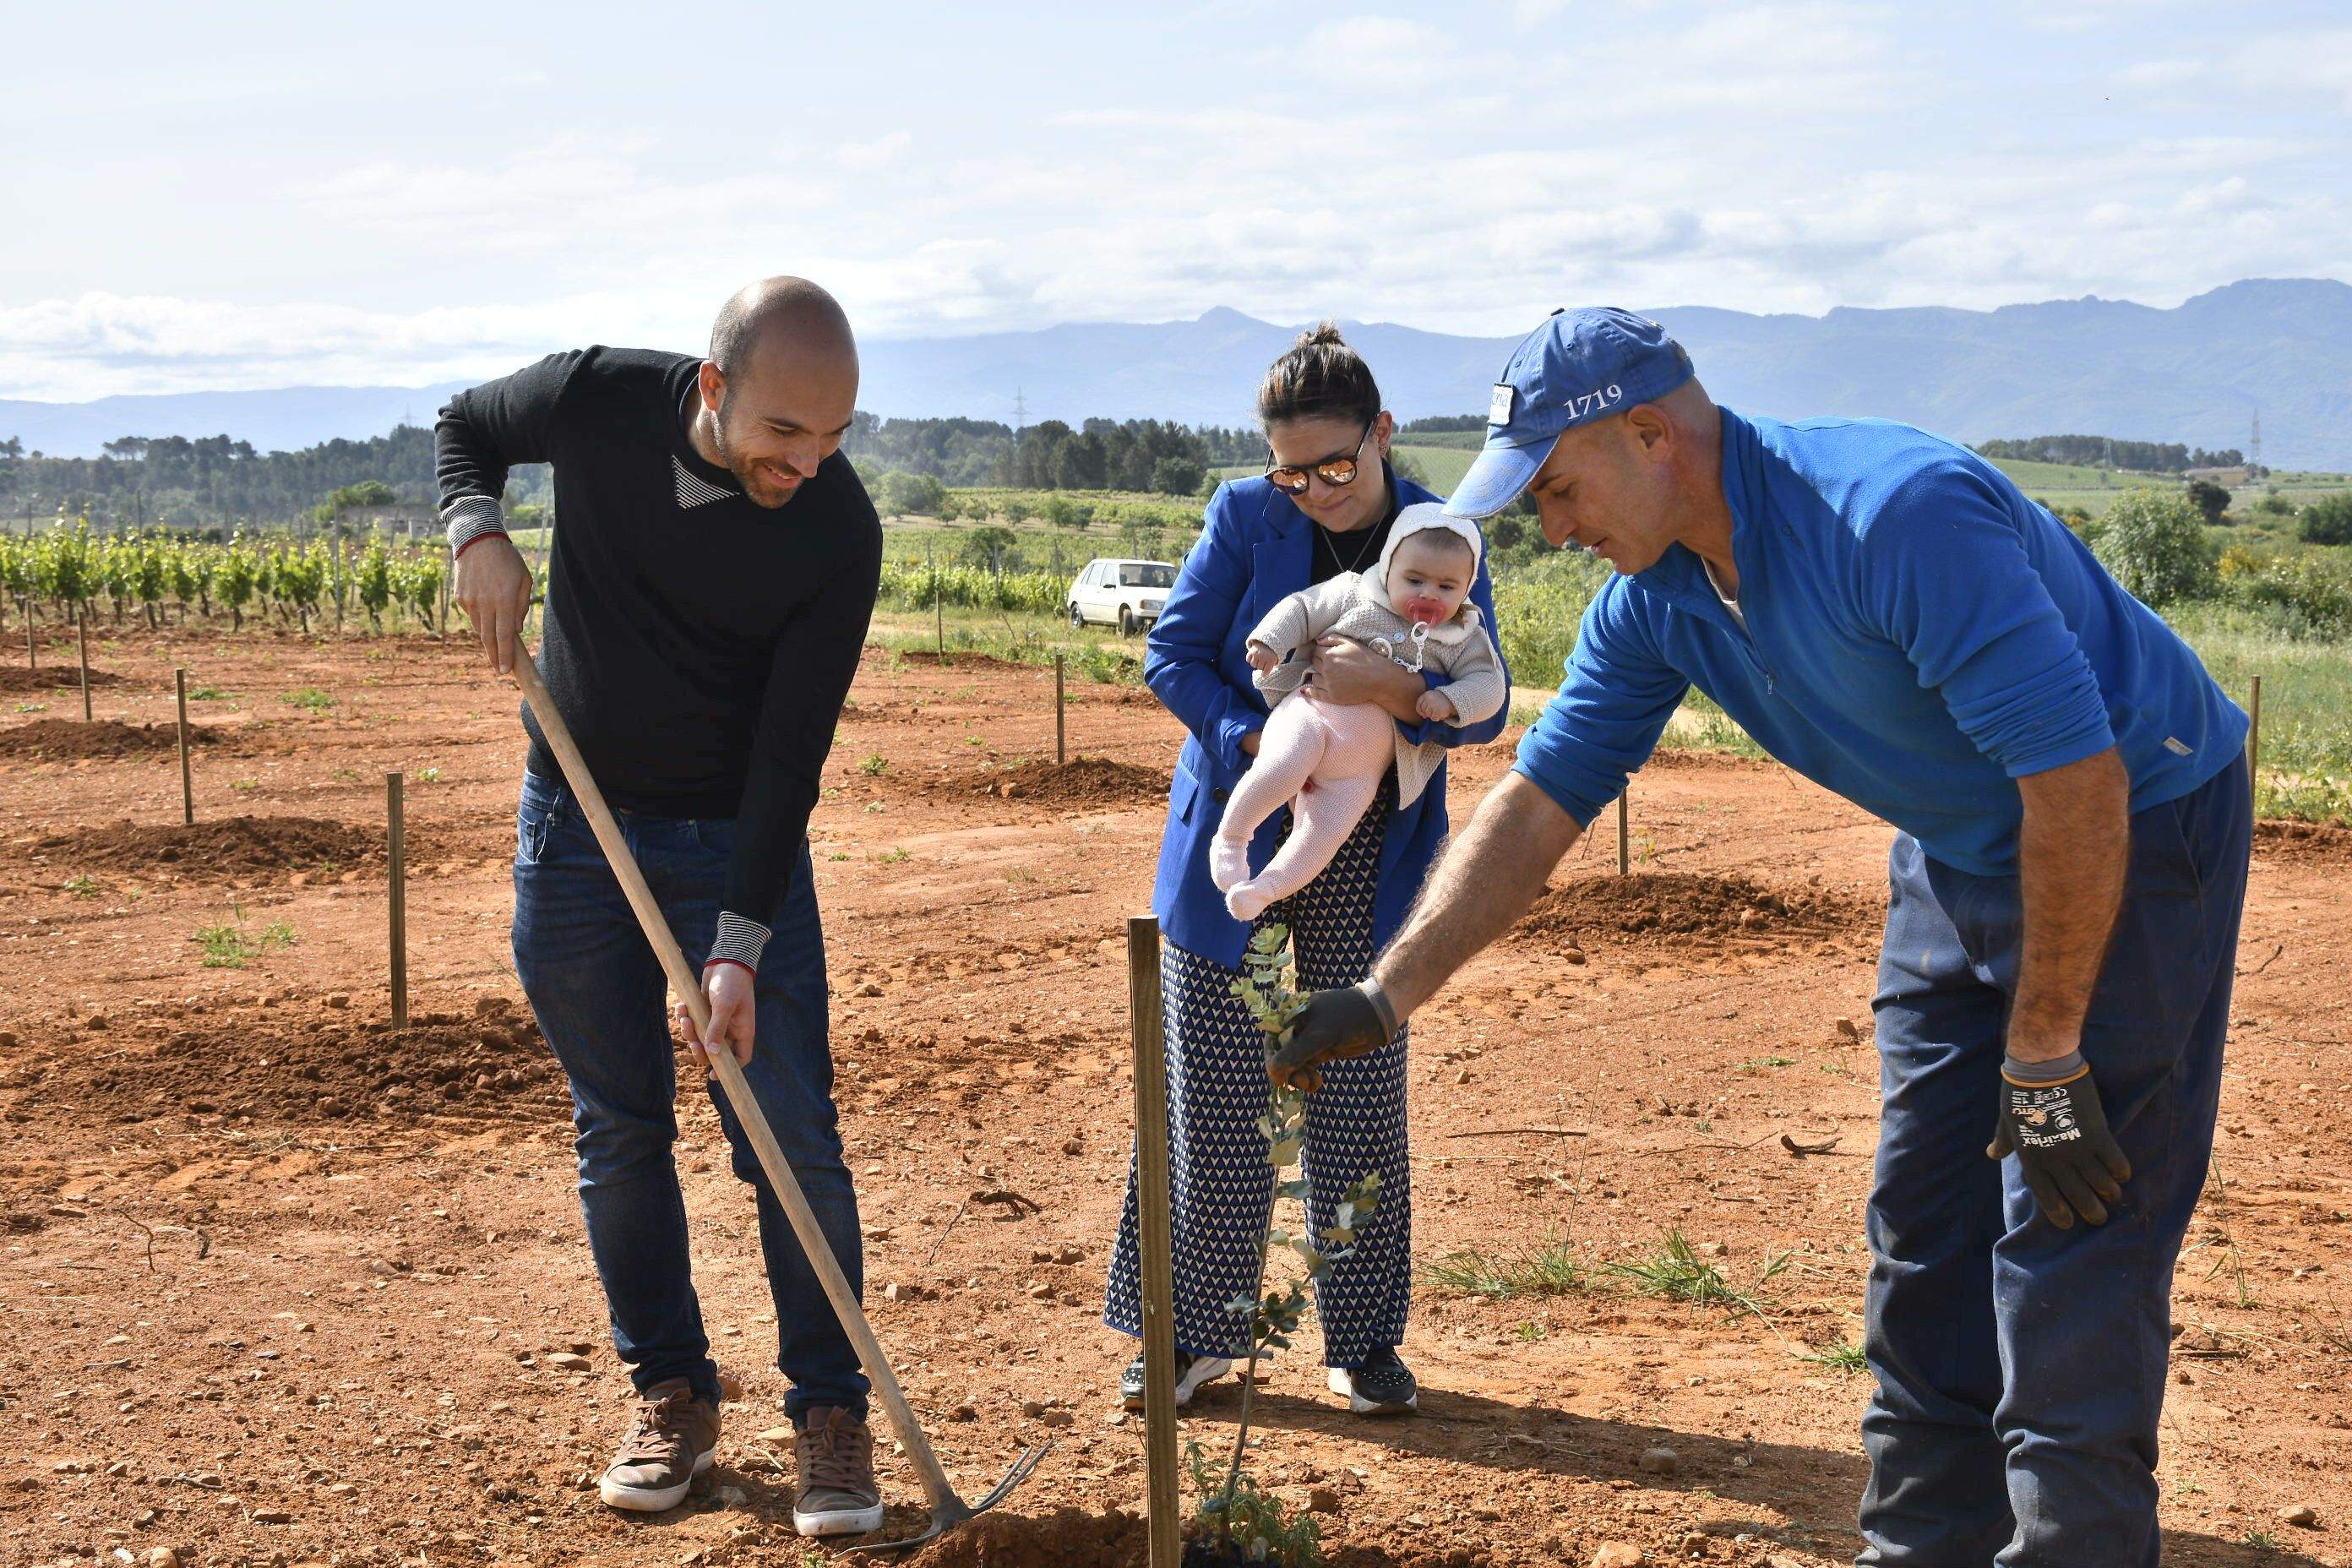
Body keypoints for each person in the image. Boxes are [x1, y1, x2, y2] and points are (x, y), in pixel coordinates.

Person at [1271, 307, 2250, 1568]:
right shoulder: (1657, 602)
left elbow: (2076, 777)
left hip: (2133, 826)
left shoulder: (1895, 519)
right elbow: (1542, 800)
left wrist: (2050, 1048)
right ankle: (1920, 1548)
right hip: (1958, 843)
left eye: (1562, 489)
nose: (1556, 529)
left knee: (2070, 1232)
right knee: (1923, 1222)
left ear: (1653, 434)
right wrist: (1386, 995)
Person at [436, 277, 886, 1536]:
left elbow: (788, 761)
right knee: (621, 1127)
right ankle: (672, 1393)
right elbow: (464, 426)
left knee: (785, 1131)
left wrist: (738, 944)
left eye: (836, 436)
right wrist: (479, 528)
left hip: (734, 845)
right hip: (572, 829)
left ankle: (830, 1415)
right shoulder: (597, 401)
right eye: (786, 433)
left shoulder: (836, 534)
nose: (810, 462)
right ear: (712, 389)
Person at [1102, 324, 1511, 1416]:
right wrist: (1260, 746)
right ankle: (1189, 1338)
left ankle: (1365, 1343)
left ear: (1382, 434)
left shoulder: (1443, 537)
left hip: (1375, 854)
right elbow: (1173, 655)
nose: (1316, 490)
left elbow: (1490, 696)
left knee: (1361, 1096)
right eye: (1293, 469)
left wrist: (1397, 693)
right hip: (1235, 841)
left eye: (1337, 465)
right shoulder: (1245, 517)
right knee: (1213, 1096)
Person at [1216, 504, 1506, 920]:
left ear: (1467, 589)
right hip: (1313, 716)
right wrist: (1270, 642)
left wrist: (1450, 699)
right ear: (1388, 568)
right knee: (1280, 767)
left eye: (1447, 586)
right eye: (1414, 580)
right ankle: (1232, 838)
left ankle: (1265, 888)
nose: (1428, 595)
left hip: (1360, 770)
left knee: (1325, 831)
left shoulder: (1463, 637)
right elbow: (1302, 608)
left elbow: (1491, 687)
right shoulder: (1357, 593)